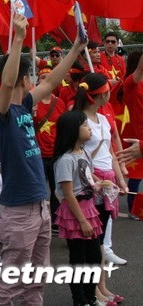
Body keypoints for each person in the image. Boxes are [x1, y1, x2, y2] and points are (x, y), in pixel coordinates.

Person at [0, 14, 86, 306]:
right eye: (29, 76)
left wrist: (76, 49)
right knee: (13, 278)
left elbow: (53, 80)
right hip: (18, 210)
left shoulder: (26, 105)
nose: (34, 81)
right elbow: (5, 86)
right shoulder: (0, 112)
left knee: (37, 275)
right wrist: (17, 38)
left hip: (40, 205)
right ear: (21, 77)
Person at [73, 72, 127, 305]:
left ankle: (102, 288)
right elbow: (75, 157)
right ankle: (92, 291)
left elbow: (110, 153)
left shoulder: (104, 119)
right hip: (91, 184)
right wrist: (94, 181)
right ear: (96, 96)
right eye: (106, 91)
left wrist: (121, 182)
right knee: (92, 241)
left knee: (102, 238)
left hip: (109, 184)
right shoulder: (78, 121)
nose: (109, 94)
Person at [53, 110, 102, 306]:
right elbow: (68, 193)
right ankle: (79, 300)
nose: (89, 129)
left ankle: (91, 296)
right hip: (76, 213)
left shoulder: (85, 152)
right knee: (79, 259)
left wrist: (103, 183)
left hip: (90, 208)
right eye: (85, 125)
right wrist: (81, 220)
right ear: (73, 130)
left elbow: (89, 177)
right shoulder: (66, 159)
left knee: (94, 257)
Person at [33, 66, 67, 233]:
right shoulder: (32, 102)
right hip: (37, 153)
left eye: (48, 77)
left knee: (56, 189)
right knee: (39, 188)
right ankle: (38, 220)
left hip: (55, 153)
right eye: (42, 77)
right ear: (38, 81)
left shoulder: (59, 103)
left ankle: (54, 220)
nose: (45, 79)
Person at [118, 51, 143, 219]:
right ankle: (133, 209)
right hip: (136, 136)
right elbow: (140, 68)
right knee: (136, 175)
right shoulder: (129, 84)